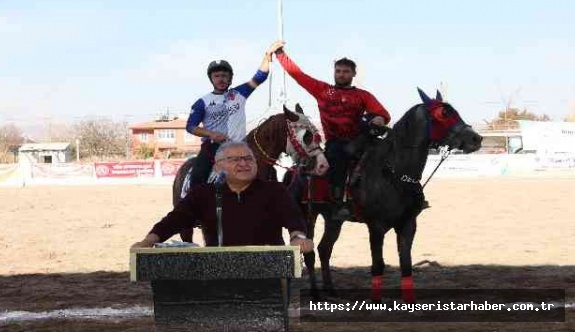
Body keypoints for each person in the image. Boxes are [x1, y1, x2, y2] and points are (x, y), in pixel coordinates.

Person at [272, 41, 392, 221]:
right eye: (338, 71)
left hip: (361, 138)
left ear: (353, 74)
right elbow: (298, 75)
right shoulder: (322, 90)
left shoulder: (362, 95)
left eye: (346, 71)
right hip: (337, 142)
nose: (341, 74)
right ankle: (338, 204)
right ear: (334, 72)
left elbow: (382, 113)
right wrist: (280, 54)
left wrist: (379, 119)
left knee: (390, 152)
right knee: (339, 155)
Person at [131, 141, 314, 252]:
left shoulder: (275, 190)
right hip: (219, 270)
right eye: (235, 159)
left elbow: (294, 219)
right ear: (218, 166)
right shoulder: (203, 194)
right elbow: (173, 221)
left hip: (271, 272)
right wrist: (149, 240)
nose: (244, 163)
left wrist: (297, 237)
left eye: (249, 158)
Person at [186, 41, 285, 187]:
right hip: (213, 149)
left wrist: (267, 55)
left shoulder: (240, 93)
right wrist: (211, 134)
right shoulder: (202, 102)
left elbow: (260, 76)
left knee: (268, 175)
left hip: (241, 148)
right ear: (211, 78)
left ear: (230, 78)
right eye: (217, 75)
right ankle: (193, 206)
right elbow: (191, 126)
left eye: (224, 75)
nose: (221, 79)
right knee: (198, 177)